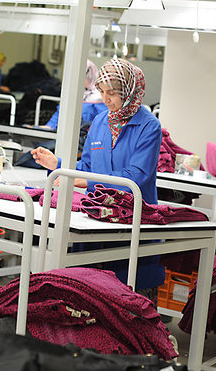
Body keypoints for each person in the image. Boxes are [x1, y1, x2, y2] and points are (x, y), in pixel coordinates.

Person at [30, 58, 163, 296]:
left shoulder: (149, 126)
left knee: (130, 298)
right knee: (92, 295)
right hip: (98, 216)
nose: (105, 99)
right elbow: (88, 165)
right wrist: (57, 164)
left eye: (112, 93)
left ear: (130, 91)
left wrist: (86, 181)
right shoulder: (101, 121)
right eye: (101, 92)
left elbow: (137, 176)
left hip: (132, 220)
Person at [40, 60, 107, 130]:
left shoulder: (101, 98)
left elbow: (102, 126)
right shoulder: (72, 95)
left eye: (82, 77)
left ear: (90, 75)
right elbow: (56, 119)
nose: (78, 80)